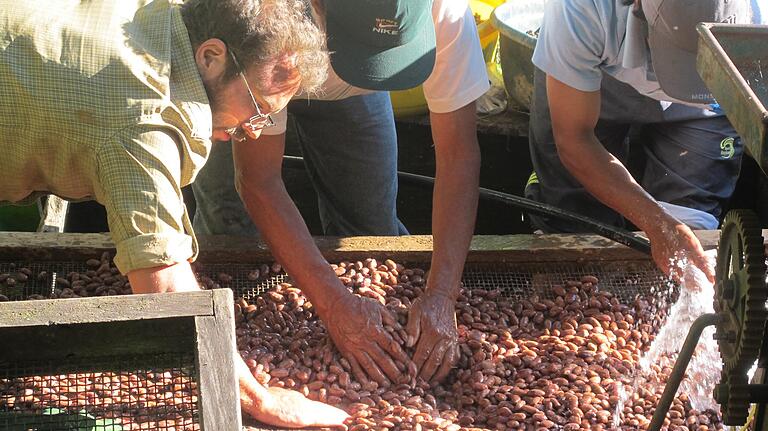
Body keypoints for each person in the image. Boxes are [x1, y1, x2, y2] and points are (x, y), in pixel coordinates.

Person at [0, 0, 348, 427]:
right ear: (211, 57)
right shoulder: (144, 121)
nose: (255, 131)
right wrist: (257, 398)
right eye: (257, 109)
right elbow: (164, 285)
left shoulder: (170, 16)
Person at [192, 0, 489, 385]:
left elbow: (459, 155)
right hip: (251, 71)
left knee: (371, 228)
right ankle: (227, 357)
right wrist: (333, 305)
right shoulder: (266, 16)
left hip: (353, 95)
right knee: (229, 228)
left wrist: (442, 294)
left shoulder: (447, 12)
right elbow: (258, 180)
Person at [525, 0, 763, 282]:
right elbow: (575, 139)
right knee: (575, 221)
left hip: (709, 107)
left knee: (688, 244)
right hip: (599, 79)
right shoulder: (581, 8)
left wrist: (671, 227)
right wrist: (655, 222)